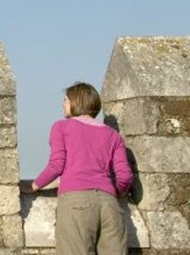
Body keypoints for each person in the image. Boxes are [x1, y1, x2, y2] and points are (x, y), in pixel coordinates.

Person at [30, 82, 133, 255]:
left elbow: (56, 165)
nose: (63, 104)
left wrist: (34, 185)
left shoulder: (61, 127)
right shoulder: (113, 135)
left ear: (76, 103)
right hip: (110, 205)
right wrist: (112, 193)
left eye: (66, 100)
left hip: (76, 204)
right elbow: (125, 177)